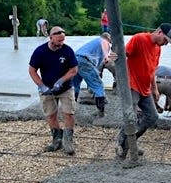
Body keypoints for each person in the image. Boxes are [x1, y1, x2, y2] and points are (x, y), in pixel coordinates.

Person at [116, 23, 171, 159]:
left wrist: (154, 89)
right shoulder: (139, 39)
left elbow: (151, 70)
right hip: (132, 85)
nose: (166, 44)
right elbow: (122, 54)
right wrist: (113, 56)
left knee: (152, 116)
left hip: (145, 88)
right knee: (130, 116)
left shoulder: (157, 49)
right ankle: (122, 142)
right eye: (166, 40)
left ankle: (131, 142)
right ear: (159, 32)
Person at [28, 26, 78, 154]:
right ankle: (57, 140)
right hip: (47, 88)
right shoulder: (40, 52)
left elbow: (74, 70)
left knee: (68, 113)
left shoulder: (67, 51)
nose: (61, 43)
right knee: (50, 115)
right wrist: (42, 86)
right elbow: (32, 71)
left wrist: (61, 80)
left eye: (63, 40)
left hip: (65, 88)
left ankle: (68, 140)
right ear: (51, 38)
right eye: (59, 41)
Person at [73, 32, 115, 116]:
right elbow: (103, 61)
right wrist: (97, 73)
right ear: (109, 38)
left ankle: (70, 109)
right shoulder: (105, 43)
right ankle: (101, 112)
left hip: (74, 59)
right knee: (98, 86)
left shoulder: (95, 41)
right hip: (85, 61)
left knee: (75, 85)